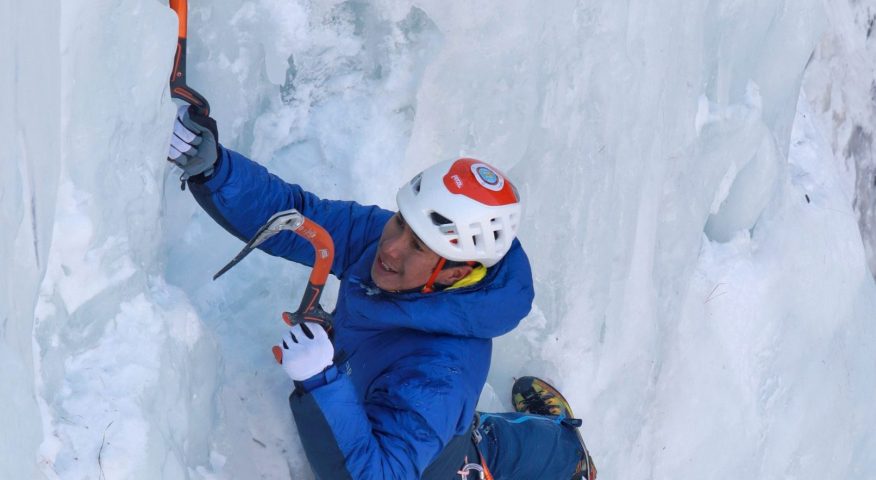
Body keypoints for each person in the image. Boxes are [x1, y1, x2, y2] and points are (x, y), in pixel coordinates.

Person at [168, 104, 596, 479]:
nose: (389, 248)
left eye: (418, 247)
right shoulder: (385, 242)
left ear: (455, 273)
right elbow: (300, 215)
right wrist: (215, 170)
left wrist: (322, 382)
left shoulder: (441, 374)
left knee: (473, 450)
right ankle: (557, 452)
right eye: (400, 223)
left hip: (417, 459)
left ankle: (571, 461)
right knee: (483, 443)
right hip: (403, 407)